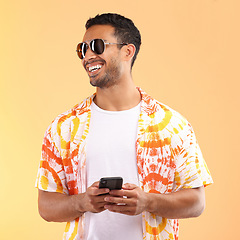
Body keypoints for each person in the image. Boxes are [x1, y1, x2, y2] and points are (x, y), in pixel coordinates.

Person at [36, 13, 213, 240]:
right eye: (83, 49)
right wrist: (81, 202)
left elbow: (197, 203)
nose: (88, 56)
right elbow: (45, 207)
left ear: (127, 51)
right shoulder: (64, 127)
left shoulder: (172, 125)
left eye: (97, 46)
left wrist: (148, 201)